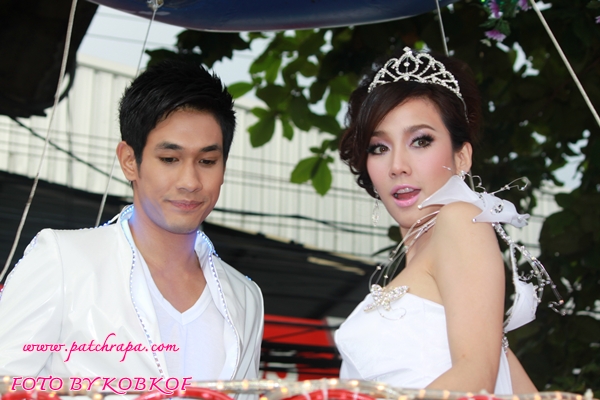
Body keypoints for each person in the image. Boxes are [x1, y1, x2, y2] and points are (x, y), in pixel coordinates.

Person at [0, 60, 264, 385]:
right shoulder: (64, 261)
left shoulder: (245, 296)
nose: (190, 181)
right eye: (169, 159)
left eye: (207, 161)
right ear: (129, 161)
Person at [335, 48, 558, 394]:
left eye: (420, 141)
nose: (397, 166)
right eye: (379, 147)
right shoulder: (424, 259)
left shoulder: (461, 220)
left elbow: (475, 378)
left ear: (461, 157)